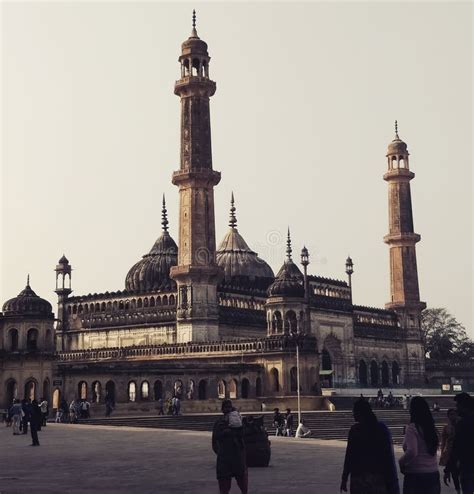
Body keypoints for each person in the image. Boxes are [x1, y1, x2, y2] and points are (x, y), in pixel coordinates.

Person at [341, 399, 399, 494]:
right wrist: (392, 483)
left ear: (360, 413)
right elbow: (388, 458)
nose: (353, 415)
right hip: (377, 479)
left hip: (359, 480)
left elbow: (349, 456)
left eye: (354, 412)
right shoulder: (381, 429)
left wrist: (344, 478)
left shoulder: (355, 431)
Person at [399, 396, 440, 494]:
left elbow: (412, 451)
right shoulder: (431, 428)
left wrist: (401, 462)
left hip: (415, 474)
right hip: (433, 473)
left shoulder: (412, 428)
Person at [212, 399, 247, 494]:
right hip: (224, 456)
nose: (227, 409)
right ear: (222, 409)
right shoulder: (219, 422)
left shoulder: (238, 421)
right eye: (226, 407)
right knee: (224, 482)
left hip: (236, 455)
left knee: (242, 480)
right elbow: (215, 440)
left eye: (229, 407)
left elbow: (243, 434)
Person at [444, 393, 474, 494]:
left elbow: (456, 448)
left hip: (468, 467)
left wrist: (448, 469)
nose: (457, 409)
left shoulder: (462, 424)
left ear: (464, 406)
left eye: (458, 405)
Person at [440, 409, 460, 494]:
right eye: (451, 414)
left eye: (454, 414)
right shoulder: (446, 428)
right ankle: (458, 490)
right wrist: (442, 453)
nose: (453, 416)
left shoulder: (461, 426)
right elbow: (443, 441)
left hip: (460, 451)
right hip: (450, 451)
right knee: (454, 472)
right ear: (448, 416)